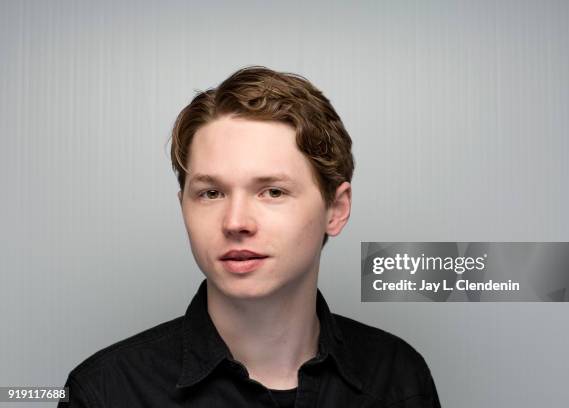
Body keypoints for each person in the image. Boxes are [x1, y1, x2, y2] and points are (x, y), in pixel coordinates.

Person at [59, 66, 441, 407]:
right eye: (211, 193)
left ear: (336, 210)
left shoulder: (398, 377)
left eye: (272, 191)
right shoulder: (104, 393)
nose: (235, 221)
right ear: (184, 207)